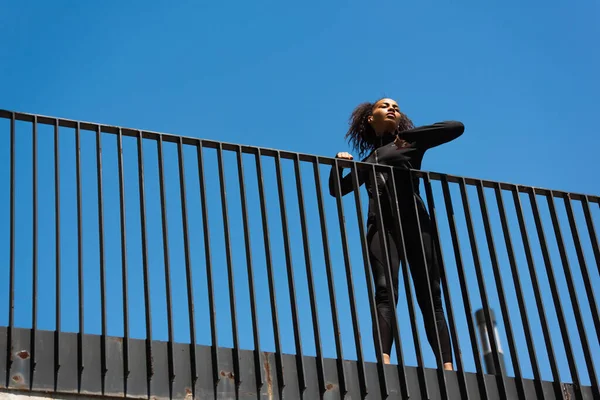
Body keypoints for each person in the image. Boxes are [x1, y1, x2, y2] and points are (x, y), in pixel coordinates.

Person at [329, 98, 463, 370]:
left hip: (415, 224)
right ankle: (384, 361)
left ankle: (447, 366)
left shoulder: (405, 143)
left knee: (430, 295)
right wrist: (337, 165)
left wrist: (410, 134)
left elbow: (455, 127)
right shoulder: (368, 160)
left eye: (396, 107)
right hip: (382, 227)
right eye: (384, 106)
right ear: (370, 117)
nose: (392, 109)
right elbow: (338, 190)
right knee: (384, 291)